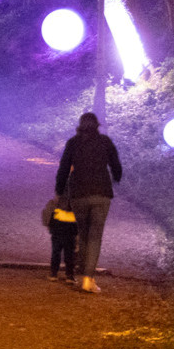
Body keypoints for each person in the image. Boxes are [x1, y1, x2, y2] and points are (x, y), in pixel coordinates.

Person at [55, 112, 124, 293]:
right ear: (97, 126)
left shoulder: (73, 143)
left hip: (78, 193)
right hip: (101, 194)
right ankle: (89, 279)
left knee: (84, 234)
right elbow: (116, 166)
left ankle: (84, 273)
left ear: (80, 126)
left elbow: (63, 169)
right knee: (95, 236)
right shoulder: (105, 142)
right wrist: (116, 177)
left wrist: (59, 190)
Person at [43, 194, 78, 283]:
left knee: (56, 251)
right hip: (71, 230)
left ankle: (54, 273)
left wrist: (49, 225)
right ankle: (70, 275)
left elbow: (47, 213)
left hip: (57, 229)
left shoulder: (55, 201)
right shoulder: (76, 202)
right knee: (70, 253)